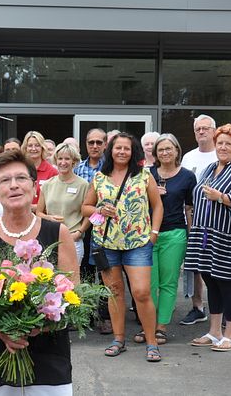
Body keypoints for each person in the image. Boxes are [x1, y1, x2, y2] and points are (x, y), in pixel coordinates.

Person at [0, 149, 78, 395]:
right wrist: (1, 328)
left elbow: (72, 292)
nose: (14, 186)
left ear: (35, 186)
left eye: (21, 178)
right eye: (4, 180)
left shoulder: (57, 233)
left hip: (50, 348)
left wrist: (38, 325)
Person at [82, 132, 163, 361]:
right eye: (118, 148)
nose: (122, 152)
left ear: (132, 151)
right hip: (106, 243)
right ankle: (118, 339)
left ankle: (152, 341)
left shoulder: (144, 176)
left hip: (138, 243)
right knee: (114, 292)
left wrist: (154, 233)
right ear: (111, 150)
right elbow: (85, 208)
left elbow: (157, 206)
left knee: (141, 292)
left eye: (126, 148)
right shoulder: (99, 178)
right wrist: (98, 210)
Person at [185, 124, 231, 352]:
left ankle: (230, 335)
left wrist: (221, 197)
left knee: (226, 282)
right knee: (210, 281)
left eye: (228, 144)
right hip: (202, 233)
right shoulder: (210, 168)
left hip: (224, 234)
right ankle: (214, 332)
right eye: (220, 142)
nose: (223, 147)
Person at [149, 134, 196, 344]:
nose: (165, 153)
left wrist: (190, 234)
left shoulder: (187, 176)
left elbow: (189, 208)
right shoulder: (147, 174)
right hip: (148, 234)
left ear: (177, 151)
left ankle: (161, 327)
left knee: (168, 283)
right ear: (155, 154)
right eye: (161, 150)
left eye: (169, 149)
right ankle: (148, 324)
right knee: (148, 283)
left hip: (174, 234)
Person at [179, 114, 218, 326]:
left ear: (214, 131)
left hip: (216, 221)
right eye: (198, 129)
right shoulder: (188, 157)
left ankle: (217, 310)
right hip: (192, 218)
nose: (201, 132)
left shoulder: (219, 155)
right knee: (194, 266)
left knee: (214, 267)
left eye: (205, 128)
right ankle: (197, 307)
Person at [74, 128, 111, 333]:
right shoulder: (78, 168)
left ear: (105, 144)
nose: (95, 146)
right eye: (91, 142)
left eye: (99, 142)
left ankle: (106, 316)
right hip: (82, 228)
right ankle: (86, 313)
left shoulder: (112, 168)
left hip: (106, 228)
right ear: (85, 145)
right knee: (84, 272)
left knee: (104, 271)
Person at [37, 143, 90, 263]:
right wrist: (49, 217)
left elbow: (88, 213)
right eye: (60, 158)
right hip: (50, 239)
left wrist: (79, 232)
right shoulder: (47, 184)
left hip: (73, 239)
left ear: (74, 161)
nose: (63, 162)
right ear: (55, 160)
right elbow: (39, 212)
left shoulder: (83, 185)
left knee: (73, 280)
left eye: (67, 158)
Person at [21, 131, 58, 207]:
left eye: (37, 145)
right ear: (25, 148)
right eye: (30, 145)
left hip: (43, 216)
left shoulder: (52, 172)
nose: (33, 149)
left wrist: (36, 208)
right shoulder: (20, 169)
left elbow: (55, 200)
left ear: (42, 148)